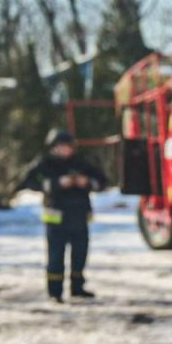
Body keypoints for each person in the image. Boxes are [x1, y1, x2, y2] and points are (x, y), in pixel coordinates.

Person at [19, 128, 107, 303]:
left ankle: (77, 287)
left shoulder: (81, 163)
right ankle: (55, 292)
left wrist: (87, 182)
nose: (67, 150)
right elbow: (28, 181)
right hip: (56, 219)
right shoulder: (45, 163)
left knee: (80, 255)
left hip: (79, 217)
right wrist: (55, 184)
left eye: (69, 147)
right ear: (53, 147)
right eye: (62, 147)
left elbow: (102, 181)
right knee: (56, 257)